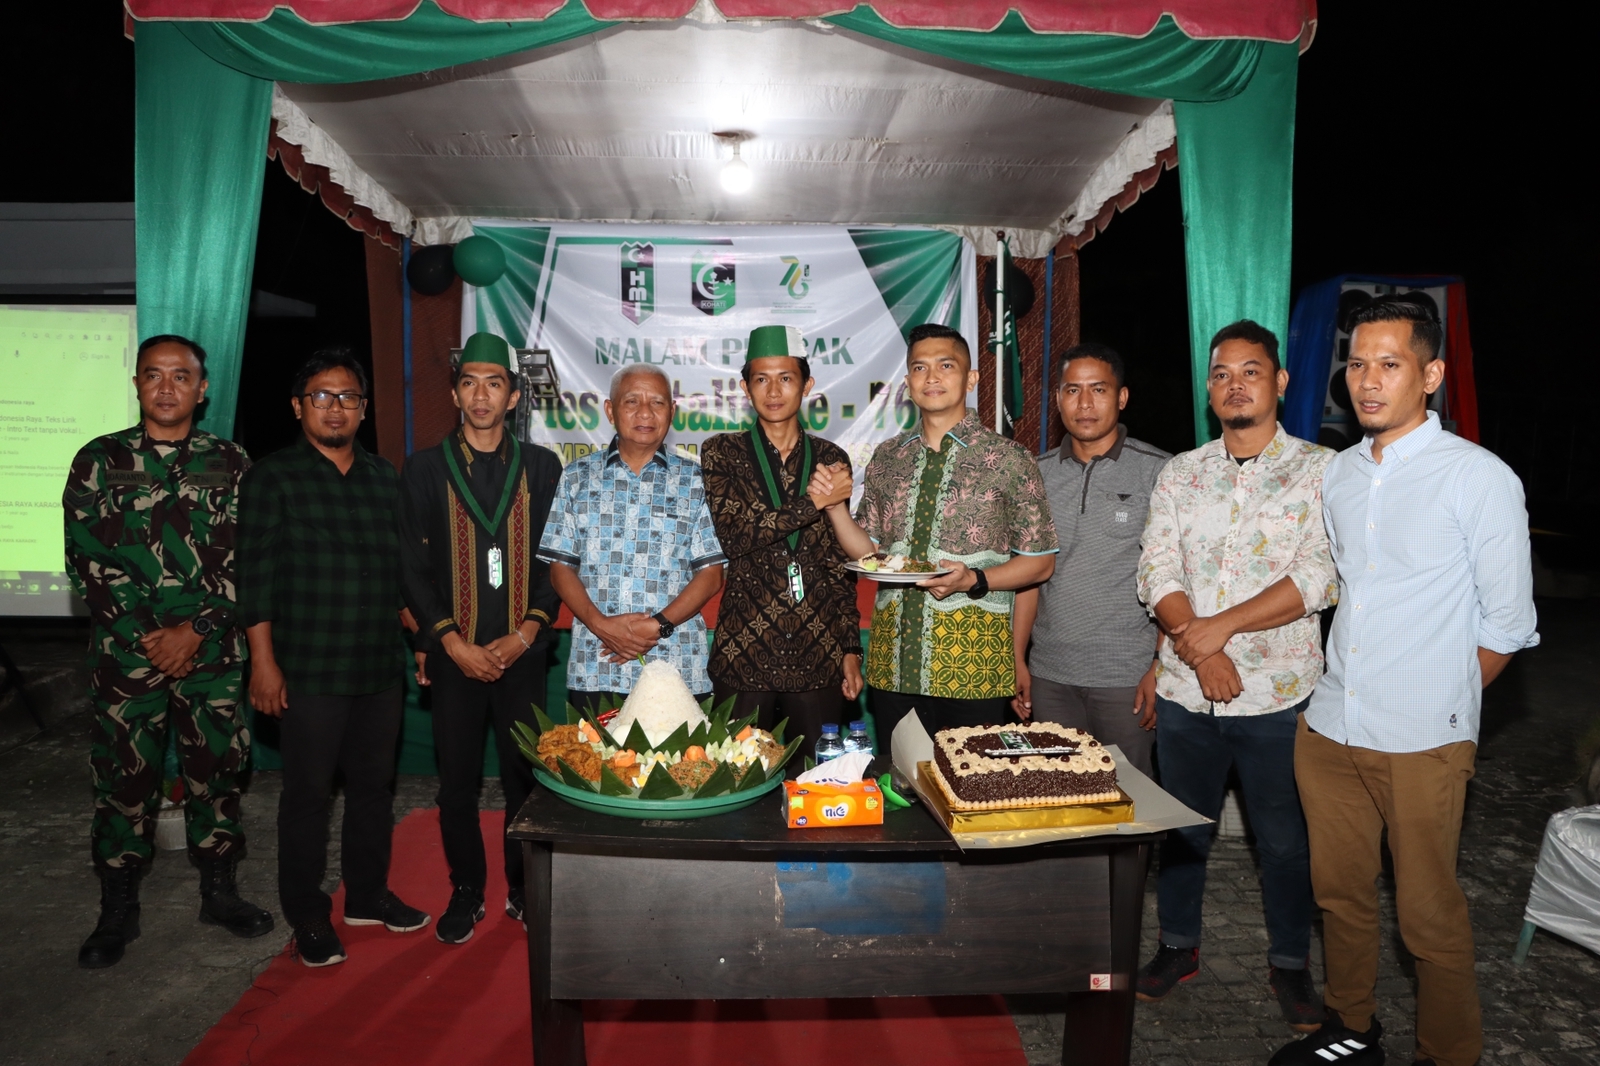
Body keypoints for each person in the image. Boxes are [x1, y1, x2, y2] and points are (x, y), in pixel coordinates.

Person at [1270, 298, 1539, 1066]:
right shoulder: (1341, 475)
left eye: (1389, 364)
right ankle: (1351, 1028)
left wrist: (1443, 702)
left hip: (1423, 739)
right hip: (1330, 731)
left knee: (1428, 916)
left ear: (1431, 374)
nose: (1368, 380)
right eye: (1357, 363)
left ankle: (1448, 1054)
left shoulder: (1478, 478)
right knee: (1340, 898)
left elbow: (1509, 623)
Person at [1135, 320, 1337, 1030]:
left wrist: (1219, 628)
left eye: (1251, 371)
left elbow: (1319, 574)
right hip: (1186, 693)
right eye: (1222, 374)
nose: (1235, 385)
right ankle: (1177, 947)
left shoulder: (1322, 471)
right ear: (1209, 388)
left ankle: (1290, 964)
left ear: (1279, 382)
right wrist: (1203, 651)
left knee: (1283, 842)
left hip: (1280, 695)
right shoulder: (1181, 472)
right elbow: (1156, 569)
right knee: (1183, 832)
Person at [63, 334, 273, 969]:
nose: (166, 387)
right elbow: (85, 561)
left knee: (217, 771)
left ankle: (220, 892)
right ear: (136, 383)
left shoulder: (231, 462)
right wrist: (148, 638)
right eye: (153, 374)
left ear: (201, 389)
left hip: (211, 653)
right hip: (126, 657)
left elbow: (253, 556)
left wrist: (197, 630)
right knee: (124, 779)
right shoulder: (99, 460)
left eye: (181, 376)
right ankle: (117, 907)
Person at [238, 348, 429, 968]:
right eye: (322, 396)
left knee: (373, 790)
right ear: (298, 407)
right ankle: (307, 913)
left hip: (376, 667)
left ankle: (366, 896)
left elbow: (399, 573)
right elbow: (255, 577)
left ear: (363, 409)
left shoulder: (383, 477)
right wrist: (263, 662)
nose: (336, 408)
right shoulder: (271, 478)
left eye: (348, 397)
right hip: (308, 668)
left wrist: (423, 639)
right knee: (308, 797)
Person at [818, 322, 1057, 739]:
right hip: (894, 664)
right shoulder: (888, 457)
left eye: (946, 366)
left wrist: (974, 579)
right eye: (919, 368)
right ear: (908, 383)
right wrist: (836, 507)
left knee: (971, 774)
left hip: (975, 666)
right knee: (901, 775)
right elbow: (868, 552)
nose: (931, 377)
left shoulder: (1009, 459)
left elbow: (1040, 563)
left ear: (971, 379)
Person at [400, 333, 562, 944]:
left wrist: (526, 632)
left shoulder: (542, 467)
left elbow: (557, 561)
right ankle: (466, 890)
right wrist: (449, 642)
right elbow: (411, 567)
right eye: (469, 383)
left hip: (524, 652)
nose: (481, 395)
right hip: (455, 655)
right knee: (457, 783)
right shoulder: (424, 468)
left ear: (513, 396)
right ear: (455, 394)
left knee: (526, 777)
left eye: (494, 384)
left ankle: (523, 888)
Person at [700, 325, 862, 757]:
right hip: (744, 653)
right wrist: (815, 502)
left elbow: (839, 565)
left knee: (817, 779)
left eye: (786, 378)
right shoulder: (722, 452)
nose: (774, 391)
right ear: (745, 388)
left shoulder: (830, 459)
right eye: (761, 379)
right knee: (735, 779)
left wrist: (850, 648)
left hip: (819, 653)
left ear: (807, 385)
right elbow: (736, 536)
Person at [1012, 343, 1169, 778]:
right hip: (1050, 678)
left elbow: (1177, 578)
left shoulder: (1159, 471)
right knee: (1057, 797)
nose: (1084, 403)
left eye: (1098, 390)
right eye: (1072, 390)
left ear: (1122, 397)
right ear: (1057, 399)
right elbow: (1028, 575)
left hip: (1127, 680)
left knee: (1130, 799)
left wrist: (1160, 666)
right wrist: (1017, 658)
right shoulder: (1035, 474)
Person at [538, 365, 725, 710]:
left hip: (675, 663)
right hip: (597, 663)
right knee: (593, 749)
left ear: (672, 411)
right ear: (610, 410)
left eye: (657, 402)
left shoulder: (697, 481)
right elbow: (560, 567)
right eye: (632, 401)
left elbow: (711, 574)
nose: (645, 412)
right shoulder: (577, 477)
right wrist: (601, 626)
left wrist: (658, 626)